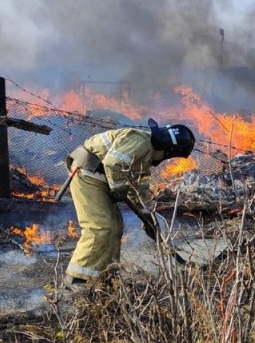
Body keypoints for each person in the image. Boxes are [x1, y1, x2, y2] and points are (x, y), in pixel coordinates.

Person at [62, 119, 195, 290]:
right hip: (87, 174)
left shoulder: (145, 156)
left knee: (116, 227)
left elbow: (139, 189)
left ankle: (106, 275)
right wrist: (119, 188)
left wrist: (149, 218)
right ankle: (76, 279)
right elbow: (113, 164)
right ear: (169, 151)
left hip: (100, 179)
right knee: (101, 227)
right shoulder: (139, 141)